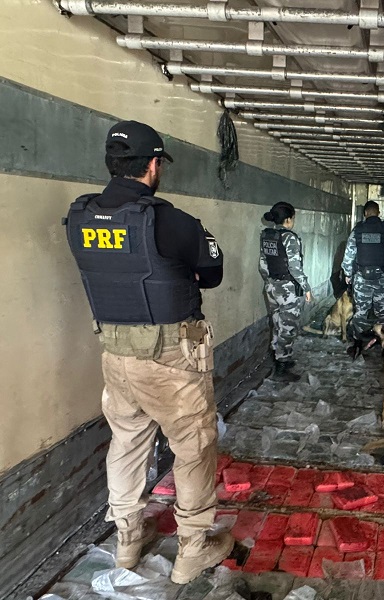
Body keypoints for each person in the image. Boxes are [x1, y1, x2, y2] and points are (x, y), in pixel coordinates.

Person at [64, 121, 233, 584]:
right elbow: (212, 273)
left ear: (111, 164)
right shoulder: (170, 221)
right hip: (171, 358)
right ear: (154, 165)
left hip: (115, 357)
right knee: (193, 446)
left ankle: (126, 542)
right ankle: (193, 550)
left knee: (127, 443)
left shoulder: (79, 217)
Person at [341, 200, 384, 358]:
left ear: (365, 214)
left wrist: (348, 274)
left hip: (362, 278)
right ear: (379, 213)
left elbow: (348, 255)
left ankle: (357, 346)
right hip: (382, 278)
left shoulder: (358, 229)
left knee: (360, 313)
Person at [259, 202, 312, 382]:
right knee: (288, 327)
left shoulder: (267, 235)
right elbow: (295, 267)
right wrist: (306, 287)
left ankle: (281, 356)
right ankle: (281, 367)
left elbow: (263, 264)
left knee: (277, 322)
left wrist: (271, 282)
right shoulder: (290, 238)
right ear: (288, 219)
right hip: (288, 289)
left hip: (272, 286)